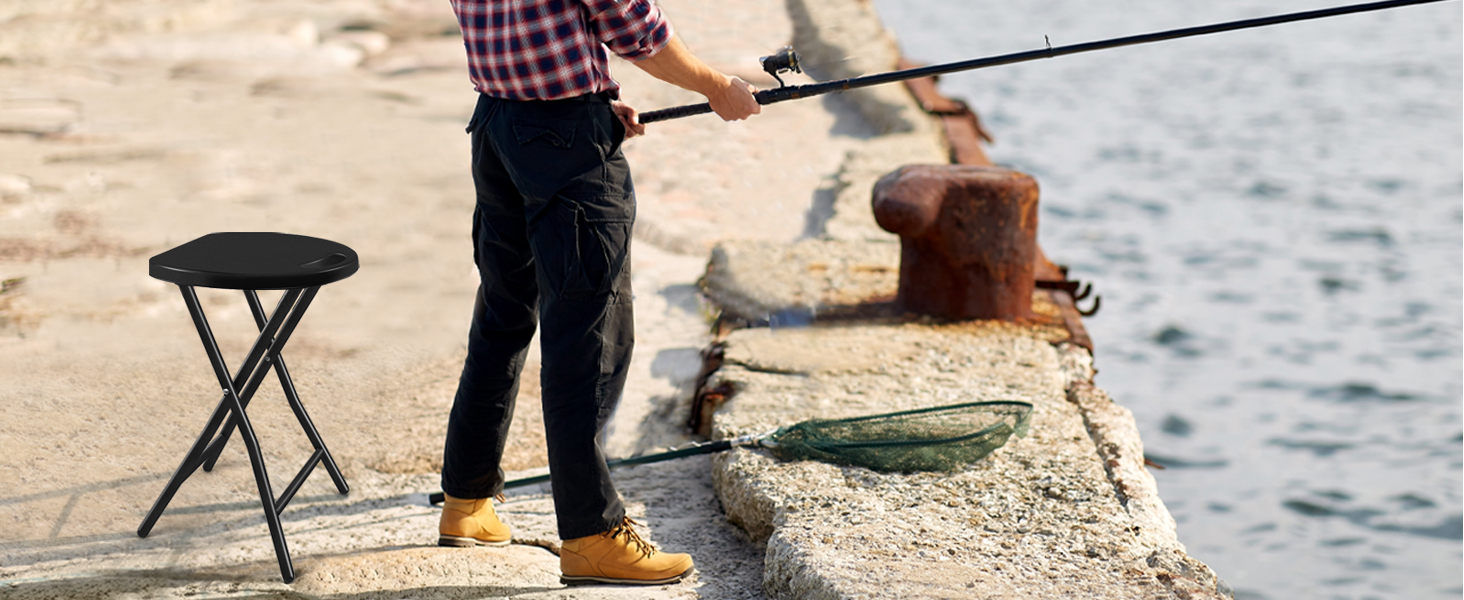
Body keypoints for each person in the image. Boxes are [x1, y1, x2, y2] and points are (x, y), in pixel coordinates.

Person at [435, 0, 760, 587]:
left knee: (503, 316)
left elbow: (520, 34)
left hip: (498, 127)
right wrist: (717, 86)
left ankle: (467, 500)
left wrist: (592, 99)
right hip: (565, 142)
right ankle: (590, 535)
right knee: (590, 336)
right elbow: (634, 26)